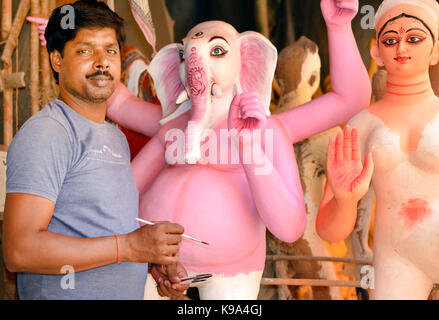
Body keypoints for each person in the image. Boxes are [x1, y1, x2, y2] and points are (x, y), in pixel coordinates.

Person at [2, 0, 188, 300]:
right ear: (57, 61)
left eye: (110, 50)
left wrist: (148, 260)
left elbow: (98, 231)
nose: (102, 61)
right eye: (85, 50)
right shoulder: (49, 133)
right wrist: (128, 247)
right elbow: (18, 250)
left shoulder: (115, 139)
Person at [316, 0, 439, 299]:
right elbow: (329, 232)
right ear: (376, 53)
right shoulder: (362, 125)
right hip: (396, 261)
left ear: (435, 50)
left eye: (413, 38)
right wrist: (345, 200)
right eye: (390, 40)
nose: (401, 48)